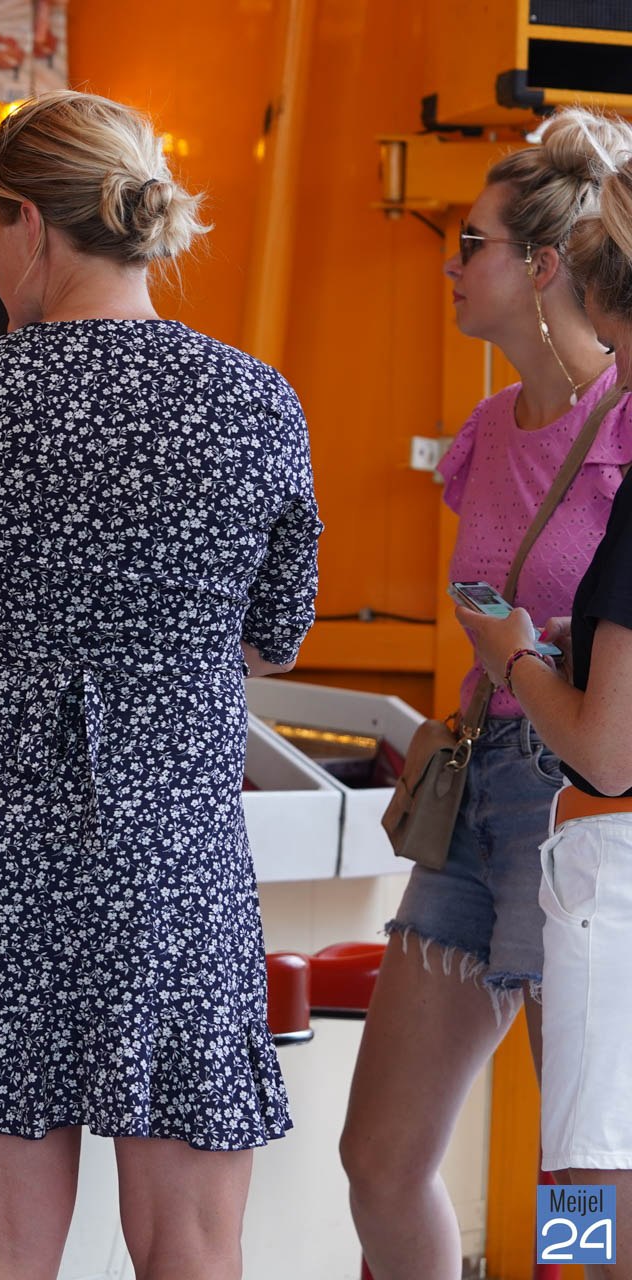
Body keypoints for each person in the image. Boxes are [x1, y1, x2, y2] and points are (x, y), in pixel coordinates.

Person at [0, 90, 321, 1280]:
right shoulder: (253, 399)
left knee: (4, 1243)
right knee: (190, 1241)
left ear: (32, 223)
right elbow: (277, 633)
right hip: (172, 830)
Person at [339, 107, 632, 1280]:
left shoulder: (626, 422)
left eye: (471, 242)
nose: (451, 265)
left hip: (583, 803)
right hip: (477, 793)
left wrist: (524, 652)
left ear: (547, 264)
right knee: (379, 1154)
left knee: (580, 1164)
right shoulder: (488, 432)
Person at [459, 162, 632, 1277]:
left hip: (604, 869)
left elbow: (606, 747)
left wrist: (517, 658)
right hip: (595, 867)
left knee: (582, 1158)